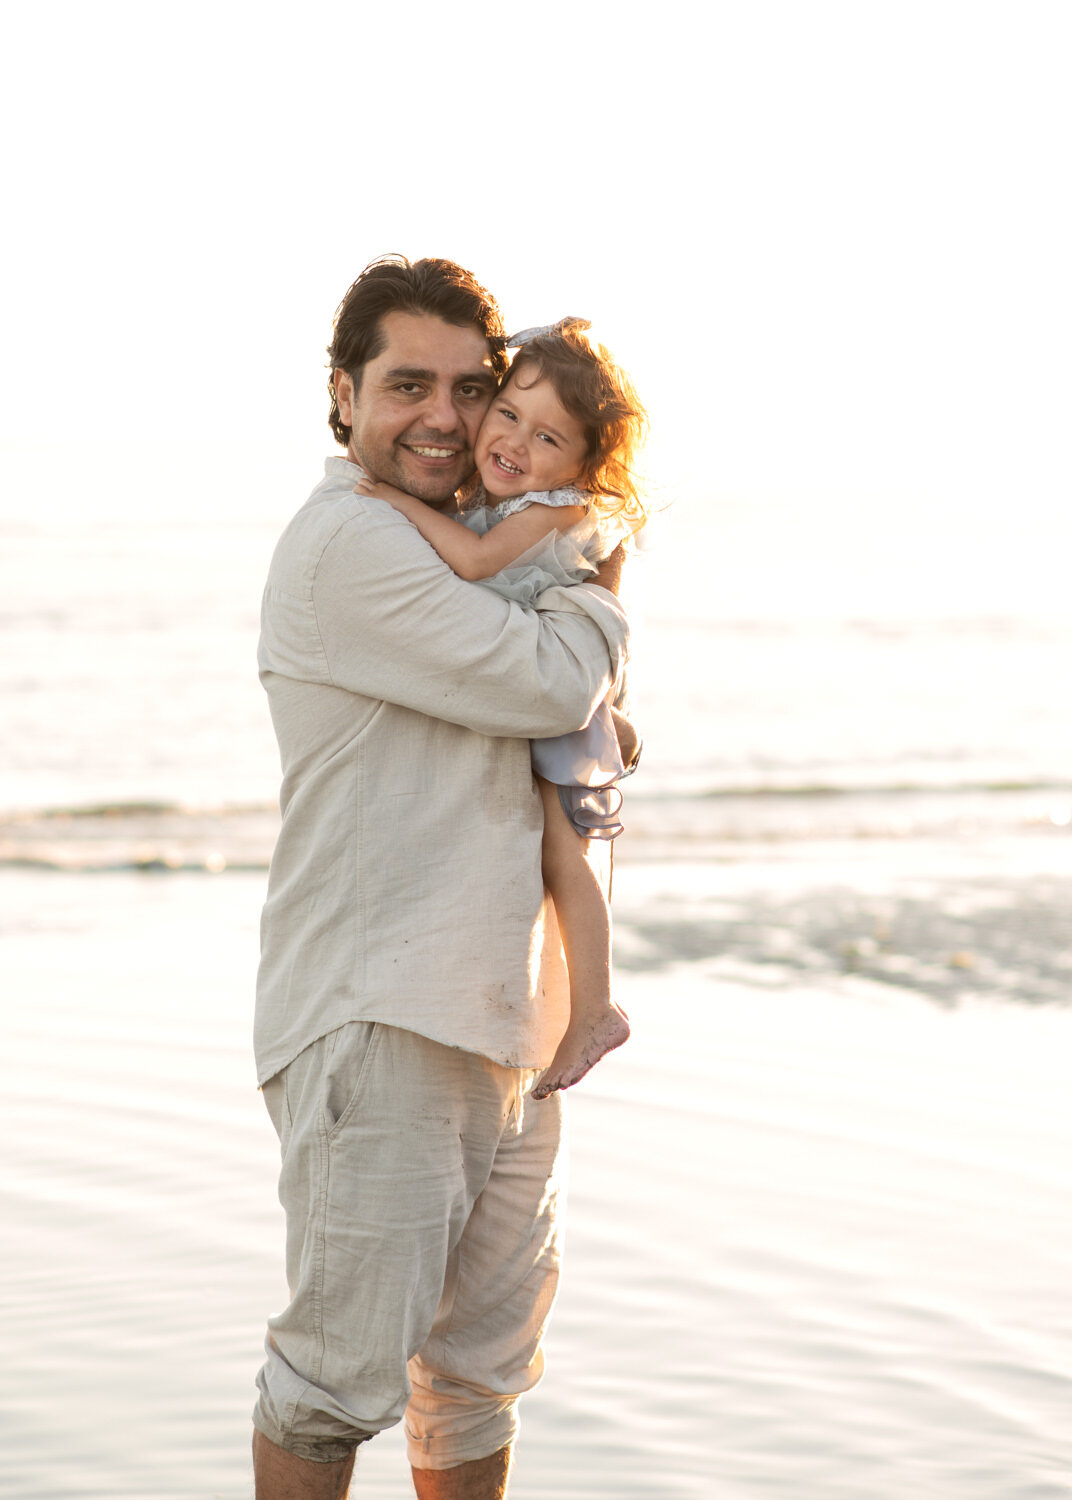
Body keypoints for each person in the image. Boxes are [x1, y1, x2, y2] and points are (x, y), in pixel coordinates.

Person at [252, 257, 630, 1500]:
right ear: (342, 394)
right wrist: (605, 620)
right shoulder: (350, 540)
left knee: (476, 1383)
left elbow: (557, 723)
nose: (445, 417)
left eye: (473, 388)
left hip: (504, 1023)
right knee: (331, 1385)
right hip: (386, 1013)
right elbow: (546, 684)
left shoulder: (485, 537)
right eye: (406, 383)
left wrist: (592, 684)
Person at [354, 317, 648, 1102]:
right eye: (510, 413)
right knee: (559, 844)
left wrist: (389, 500)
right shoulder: (498, 497)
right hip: (554, 689)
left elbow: (479, 562)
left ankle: (596, 1007)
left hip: (559, 696)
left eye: (549, 437)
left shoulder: (549, 509)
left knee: (566, 851)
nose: (516, 441)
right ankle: (585, 1005)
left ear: (583, 464)